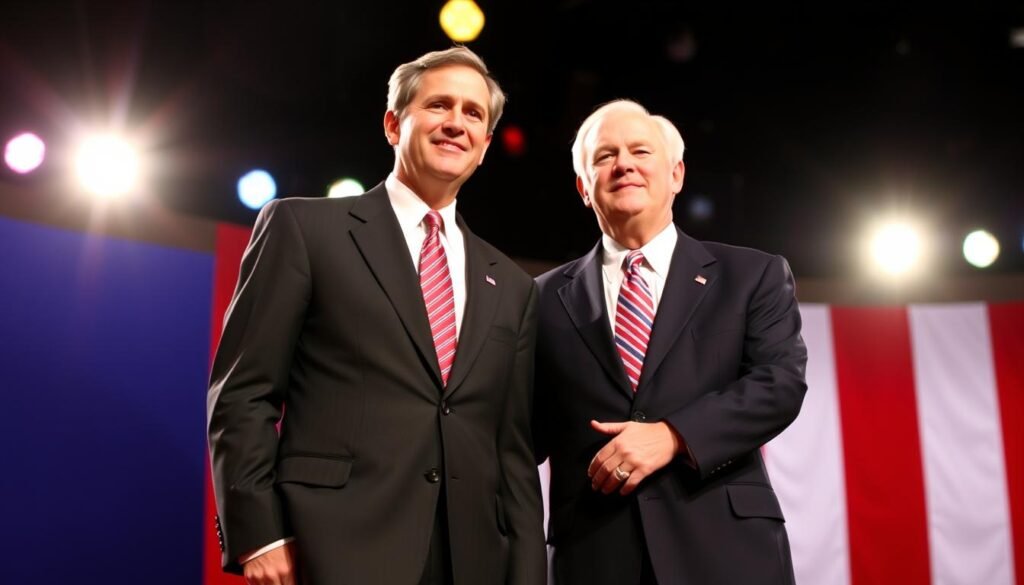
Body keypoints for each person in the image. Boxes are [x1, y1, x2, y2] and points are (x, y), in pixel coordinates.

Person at [207, 46, 546, 585]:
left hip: (470, 560)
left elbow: (512, 456)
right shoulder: (303, 228)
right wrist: (259, 533)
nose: (456, 123)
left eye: (473, 114)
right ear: (393, 124)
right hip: (331, 548)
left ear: (484, 147)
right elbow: (242, 393)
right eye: (438, 105)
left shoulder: (512, 285)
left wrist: (528, 574)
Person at [532, 99, 807, 584]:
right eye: (604, 156)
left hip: (725, 547)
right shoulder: (539, 297)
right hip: (594, 553)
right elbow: (521, 428)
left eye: (641, 151)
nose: (624, 164)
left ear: (676, 174)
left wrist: (674, 435)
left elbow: (779, 385)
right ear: (582, 187)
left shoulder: (753, 274)